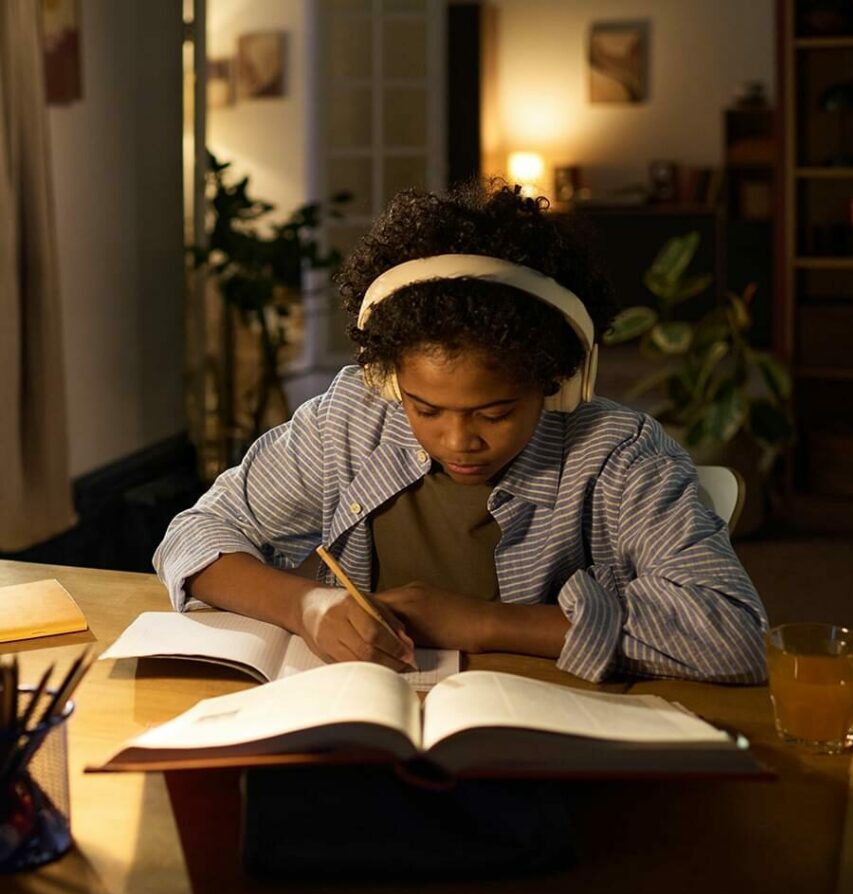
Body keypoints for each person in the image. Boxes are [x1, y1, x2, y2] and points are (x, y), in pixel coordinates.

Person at [155, 182, 768, 683]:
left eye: (494, 413)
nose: (457, 441)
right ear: (389, 380)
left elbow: (734, 634)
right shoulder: (350, 421)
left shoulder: (620, 458)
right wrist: (305, 604)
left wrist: (487, 623)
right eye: (427, 410)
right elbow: (194, 534)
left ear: (558, 383)